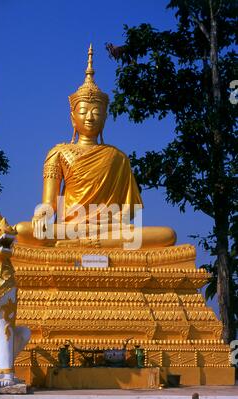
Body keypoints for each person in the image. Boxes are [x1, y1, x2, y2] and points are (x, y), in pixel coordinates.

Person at [16, 45, 176, 249]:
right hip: (71, 228)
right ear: (73, 118)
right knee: (23, 230)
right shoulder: (58, 153)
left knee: (167, 235)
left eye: (97, 113)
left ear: (105, 118)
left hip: (111, 230)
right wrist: (41, 214)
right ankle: (92, 242)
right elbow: (49, 203)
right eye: (84, 112)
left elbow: (127, 213)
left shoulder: (117, 157)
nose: (90, 117)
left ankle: (90, 243)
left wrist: (114, 226)